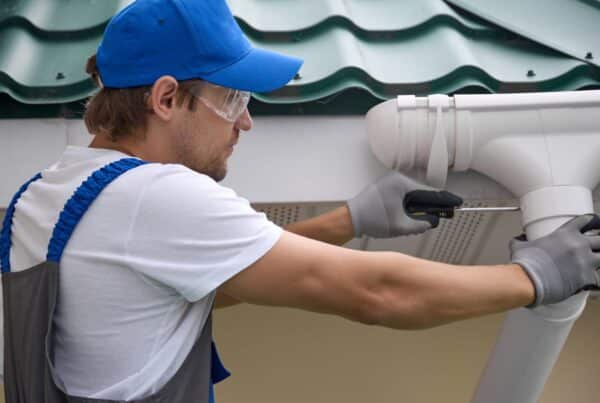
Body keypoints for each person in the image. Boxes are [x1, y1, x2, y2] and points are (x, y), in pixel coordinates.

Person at [1, 0, 599, 402]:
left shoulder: (42, 198)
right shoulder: (156, 195)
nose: (246, 124)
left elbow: (197, 289)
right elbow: (379, 293)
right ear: (164, 98)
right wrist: (536, 274)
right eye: (233, 100)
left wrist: (349, 221)